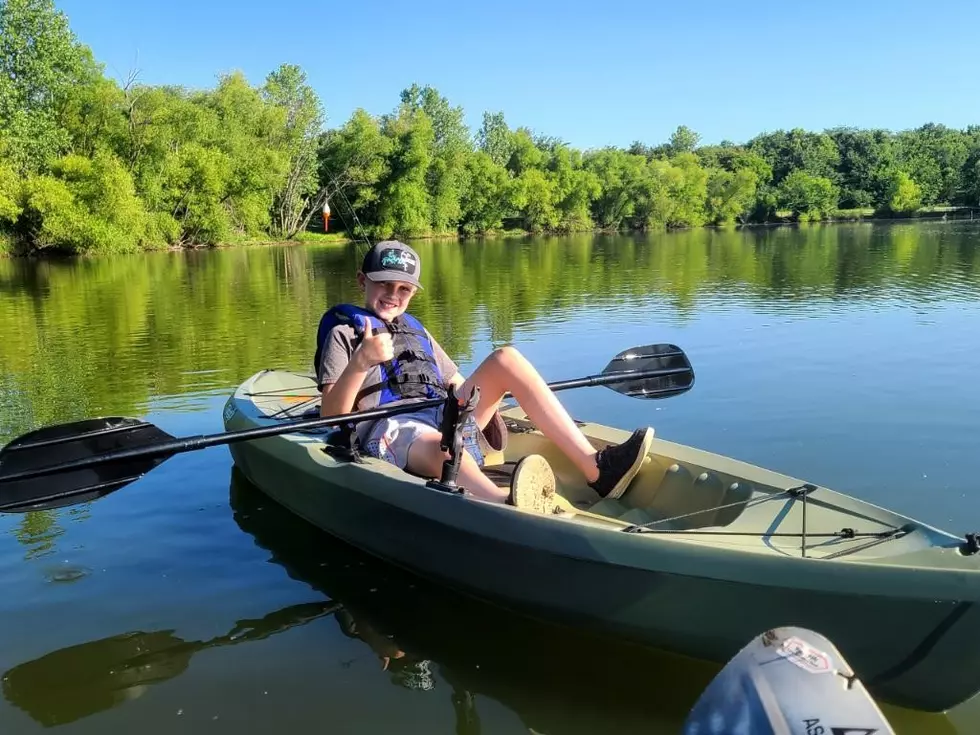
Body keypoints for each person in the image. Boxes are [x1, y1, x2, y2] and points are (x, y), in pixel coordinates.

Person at [315, 240, 653, 512]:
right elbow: (331, 415)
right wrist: (361, 362)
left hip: (439, 414)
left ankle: (598, 468)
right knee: (445, 446)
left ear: (414, 292)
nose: (393, 295)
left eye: (404, 288)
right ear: (363, 281)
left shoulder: (415, 329)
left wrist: (500, 398)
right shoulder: (344, 333)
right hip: (394, 428)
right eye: (384, 284)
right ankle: (502, 504)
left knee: (507, 358)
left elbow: (457, 383)